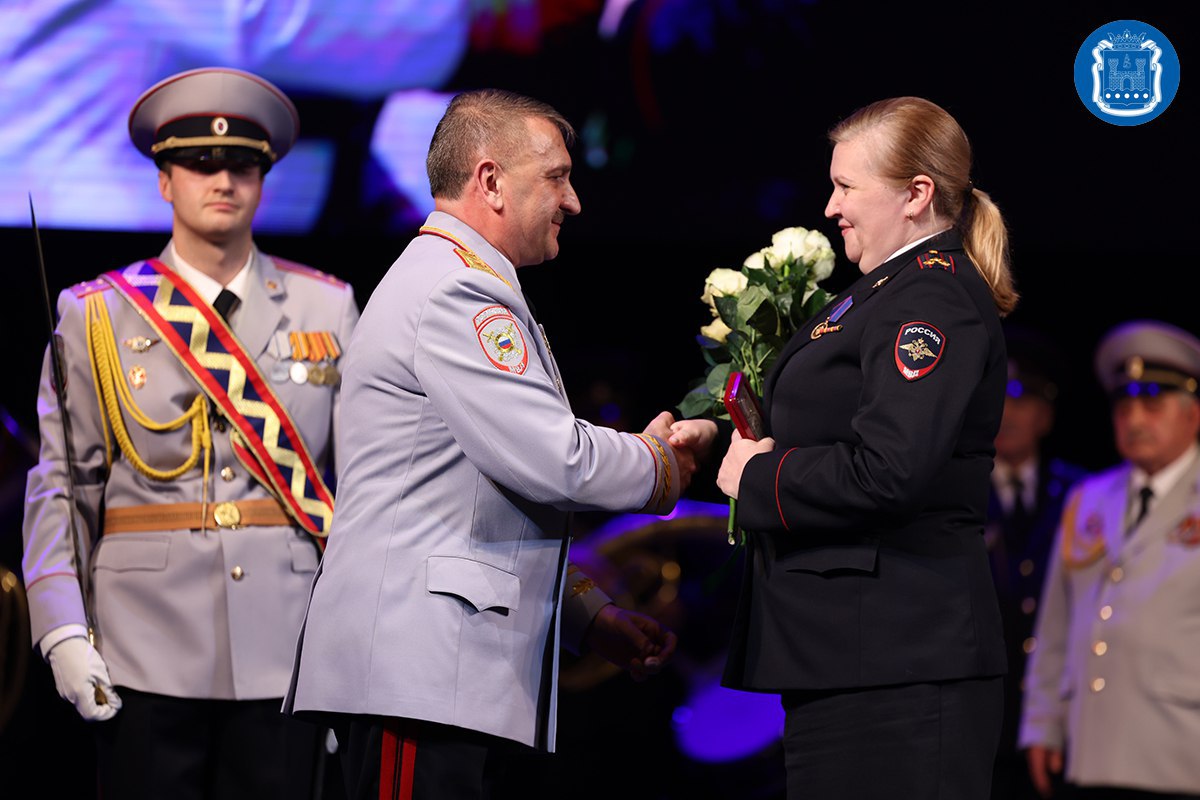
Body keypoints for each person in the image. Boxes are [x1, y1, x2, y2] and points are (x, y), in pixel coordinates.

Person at [283, 88, 716, 800]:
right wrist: (661, 462)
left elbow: (479, 508)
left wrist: (587, 617)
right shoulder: (456, 291)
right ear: (489, 181)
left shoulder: (456, 282)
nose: (573, 201)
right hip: (417, 680)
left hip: (439, 679)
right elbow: (555, 461)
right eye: (556, 177)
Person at [21, 67, 359, 799]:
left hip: (287, 648)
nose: (223, 180)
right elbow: (63, 484)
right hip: (143, 648)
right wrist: (61, 628)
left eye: (242, 164)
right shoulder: (95, 314)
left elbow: (359, 490)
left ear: (263, 180)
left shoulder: (327, 308)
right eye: (200, 163)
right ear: (164, 180)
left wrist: (352, 657)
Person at [715, 95, 1017, 799]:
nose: (831, 207)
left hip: (900, 667)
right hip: (859, 660)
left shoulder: (930, 300)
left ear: (916, 195)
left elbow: (889, 470)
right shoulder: (888, 292)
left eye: (846, 186)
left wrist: (760, 478)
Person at [1019, 320, 1200, 799]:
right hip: (1092, 748)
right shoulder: (1088, 499)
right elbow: (1056, 624)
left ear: (1193, 414)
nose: (1135, 420)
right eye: (1124, 407)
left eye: (1153, 405)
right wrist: (1041, 723)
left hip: (1181, 753)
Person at [988, 325, 1089, 800]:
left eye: (1022, 400)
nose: (1007, 414)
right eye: (998, 399)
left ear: (1046, 416)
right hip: (981, 718)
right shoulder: (951, 492)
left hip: (1062, 721)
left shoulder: (1083, 495)